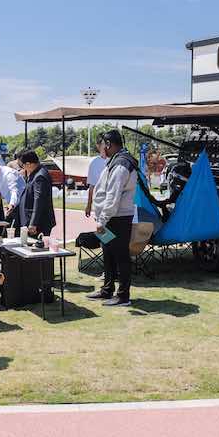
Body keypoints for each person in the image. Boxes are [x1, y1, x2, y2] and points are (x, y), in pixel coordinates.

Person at [86, 130, 139, 307]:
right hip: (111, 217)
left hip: (117, 218)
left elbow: (113, 195)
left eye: (101, 145)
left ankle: (123, 295)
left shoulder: (122, 163)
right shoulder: (115, 161)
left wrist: (102, 221)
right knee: (108, 254)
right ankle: (107, 289)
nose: (101, 149)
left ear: (108, 144)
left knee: (121, 256)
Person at [17, 150, 56, 237]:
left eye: (22, 166)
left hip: (38, 223)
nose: (23, 169)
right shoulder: (35, 172)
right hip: (33, 220)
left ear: (28, 164)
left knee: (36, 248)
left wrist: (33, 223)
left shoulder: (40, 176)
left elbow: (39, 200)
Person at [84, 143, 108, 219]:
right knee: (102, 229)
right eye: (103, 144)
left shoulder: (115, 160)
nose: (106, 146)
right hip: (100, 205)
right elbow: (91, 186)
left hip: (115, 205)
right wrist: (89, 205)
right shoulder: (94, 163)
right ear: (98, 145)